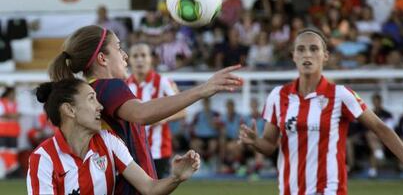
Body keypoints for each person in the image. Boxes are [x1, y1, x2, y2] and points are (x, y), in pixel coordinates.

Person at [48, 25, 242, 195]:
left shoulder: (91, 91)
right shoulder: (108, 86)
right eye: (118, 48)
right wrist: (202, 90)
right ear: (102, 58)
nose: (125, 55)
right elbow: (142, 114)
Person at [239, 28, 403, 195]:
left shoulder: (341, 95)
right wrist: (255, 141)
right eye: (301, 49)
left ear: (325, 56)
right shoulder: (277, 96)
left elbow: (379, 127)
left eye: (314, 49)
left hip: (329, 190)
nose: (307, 54)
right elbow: (269, 145)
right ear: (293, 56)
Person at [27, 79, 200, 195]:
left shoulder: (109, 141)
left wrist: (176, 178)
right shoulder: (43, 158)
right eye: (91, 99)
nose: (100, 106)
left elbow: (149, 187)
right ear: (70, 110)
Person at [126, 43, 186, 178]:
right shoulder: (124, 85)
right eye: (135, 56)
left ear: (150, 59)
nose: (139, 60)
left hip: (158, 150)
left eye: (143, 55)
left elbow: (182, 110)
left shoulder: (163, 82)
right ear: (129, 60)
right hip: (131, 150)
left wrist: (162, 117)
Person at [0, 87, 21, 178]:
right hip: (3, 132)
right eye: (12, 93)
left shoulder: (15, 104)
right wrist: (12, 116)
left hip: (13, 133)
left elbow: (18, 115)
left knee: (13, 152)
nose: (13, 95)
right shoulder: (2, 102)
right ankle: (3, 171)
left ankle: (10, 170)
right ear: (8, 93)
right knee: (2, 151)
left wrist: (10, 116)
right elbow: (3, 114)